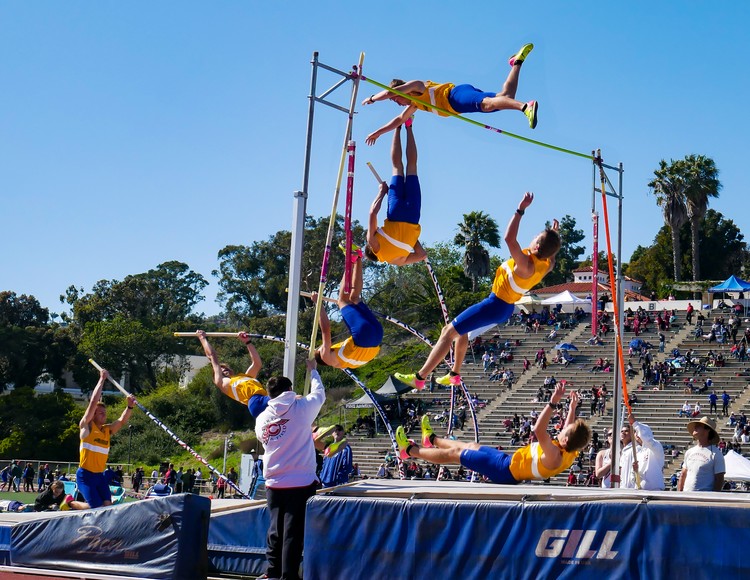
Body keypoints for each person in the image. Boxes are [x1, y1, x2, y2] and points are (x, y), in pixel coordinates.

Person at [396, 192, 560, 389]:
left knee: (448, 332)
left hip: (495, 304)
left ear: (537, 247)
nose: (533, 238)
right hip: (503, 307)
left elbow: (509, 239)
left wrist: (520, 210)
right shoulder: (546, 264)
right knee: (460, 331)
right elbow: (551, 255)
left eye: (536, 238)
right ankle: (454, 374)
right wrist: (554, 234)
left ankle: (419, 378)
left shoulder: (526, 264)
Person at [396, 385, 590, 484]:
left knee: (455, 454)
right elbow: (569, 428)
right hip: (507, 462)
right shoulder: (570, 451)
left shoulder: (554, 455)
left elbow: (538, 430)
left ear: (565, 439)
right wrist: (572, 407)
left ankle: (409, 451)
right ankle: (430, 439)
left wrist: (553, 403)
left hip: (503, 471)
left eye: (564, 430)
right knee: (470, 446)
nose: (563, 425)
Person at [362, 43, 538, 145]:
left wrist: (372, 99)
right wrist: (378, 132)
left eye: (396, 100)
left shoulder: (417, 86)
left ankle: (525, 107)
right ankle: (517, 63)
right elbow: (399, 120)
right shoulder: (415, 104)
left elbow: (389, 92)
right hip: (460, 103)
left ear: (402, 90)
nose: (398, 103)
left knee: (487, 105)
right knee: (505, 97)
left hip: (455, 96)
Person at [255, 359, 326, 580]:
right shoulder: (302, 408)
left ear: (270, 394)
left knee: (275, 530)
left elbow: (264, 438)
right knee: (292, 533)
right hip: (301, 482)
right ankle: (289, 575)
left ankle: (272, 571)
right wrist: (313, 371)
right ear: (290, 390)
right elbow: (320, 393)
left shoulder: (262, 418)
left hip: (274, 482)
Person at [65, 368, 136, 510]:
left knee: (107, 506)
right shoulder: (86, 427)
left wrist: (129, 406)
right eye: (101, 413)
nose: (104, 415)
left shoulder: (107, 430)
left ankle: (72, 504)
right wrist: (101, 379)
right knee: (96, 508)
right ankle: (69, 503)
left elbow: (121, 421)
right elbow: (93, 402)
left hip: (99, 475)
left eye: (105, 413)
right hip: (86, 475)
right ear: (93, 415)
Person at [363, 119, 427, 266]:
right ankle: (397, 127)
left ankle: (409, 127)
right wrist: (381, 192)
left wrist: (407, 238)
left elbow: (422, 255)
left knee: (412, 166)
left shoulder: (397, 262)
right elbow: (372, 213)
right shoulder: (374, 244)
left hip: (412, 215)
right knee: (397, 167)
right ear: (371, 249)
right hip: (396, 211)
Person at [314, 249, 384, 369]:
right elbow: (326, 329)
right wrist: (318, 303)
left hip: (377, 336)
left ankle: (358, 259)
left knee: (354, 298)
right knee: (342, 300)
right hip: (363, 336)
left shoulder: (342, 365)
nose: (321, 347)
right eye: (319, 348)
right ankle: (350, 262)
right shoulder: (325, 357)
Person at [196, 330, 270, 418]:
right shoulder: (222, 382)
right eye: (221, 369)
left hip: (264, 398)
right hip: (257, 402)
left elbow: (257, 363)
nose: (224, 370)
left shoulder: (245, 377)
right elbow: (212, 356)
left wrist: (247, 342)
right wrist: (202, 338)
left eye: (226, 368)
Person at [678, 416, 725, 492]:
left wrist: (713, 498)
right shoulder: (689, 452)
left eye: (699, 426)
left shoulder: (716, 454)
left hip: (704, 498)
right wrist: (679, 494)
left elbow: (719, 479)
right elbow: (683, 475)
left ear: (707, 430)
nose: (695, 427)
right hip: (686, 496)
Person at [619, 413, 665, 490]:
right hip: (640, 491)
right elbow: (634, 477)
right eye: (635, 432)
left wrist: (634, 423)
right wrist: (635, 470)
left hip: (655, 491)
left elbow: (647, 440)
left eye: (639, 432)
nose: (637, 434)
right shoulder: (638, 453)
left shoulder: (655, 447)